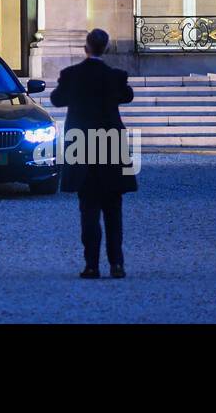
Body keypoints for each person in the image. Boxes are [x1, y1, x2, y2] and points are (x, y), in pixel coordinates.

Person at [50, 28, 138, 279]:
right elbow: (127, 96)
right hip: (110, 147)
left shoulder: (72, 75)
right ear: (106, 48)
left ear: (85, 47)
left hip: (82, 147)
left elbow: (56, 100)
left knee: (88, 210)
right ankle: (117, 264)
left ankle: (91, 265)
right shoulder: (115, 76)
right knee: (113, 211)